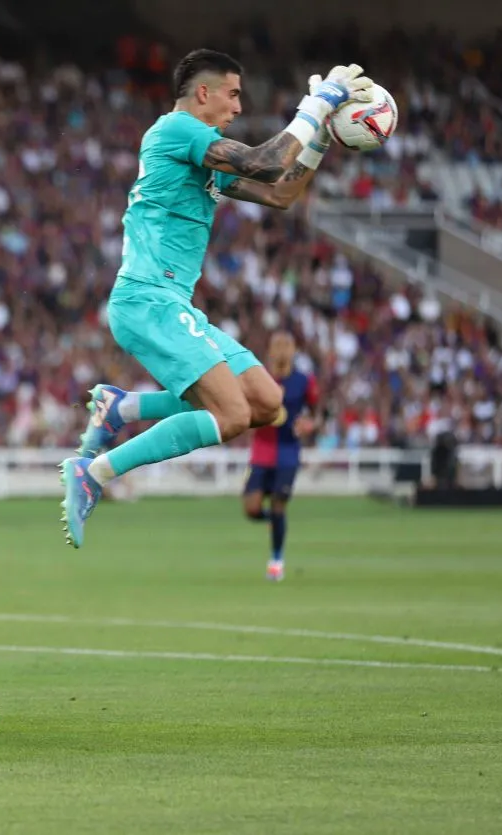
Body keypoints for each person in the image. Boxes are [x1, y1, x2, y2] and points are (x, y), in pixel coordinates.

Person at [60, 52, 372, 547]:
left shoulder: (199, 151)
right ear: (203, 93)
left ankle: (121, 407)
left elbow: (280, 193)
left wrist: (322, 137)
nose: (239, 106)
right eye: (233, 94)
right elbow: (265, 162)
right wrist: (316, 105)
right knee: (231, 415)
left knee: (266, 402)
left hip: (173, 304)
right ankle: (95, 472)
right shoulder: (177, 130)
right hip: (149, 300)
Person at [242, 331, 319, 581]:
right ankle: (273, 521)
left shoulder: (304, 381)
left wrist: (310, 424)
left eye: (288, 345)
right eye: (278, 345)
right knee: (251, 508)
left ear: (295, 350)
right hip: (262, 450)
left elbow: (317, 412)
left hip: (288, 452)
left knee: (279, 502)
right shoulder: (258, 377)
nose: (283, 350)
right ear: (270, 350)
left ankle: (276, 560)